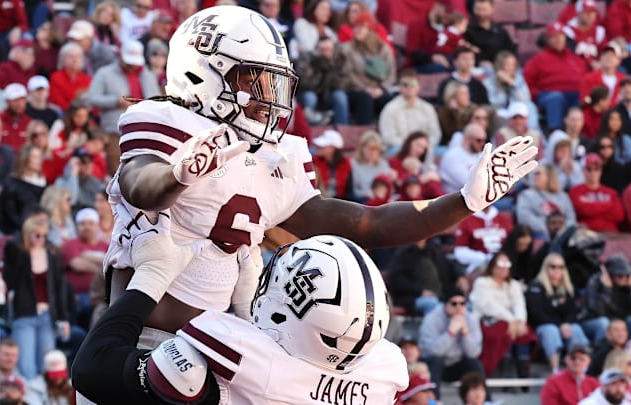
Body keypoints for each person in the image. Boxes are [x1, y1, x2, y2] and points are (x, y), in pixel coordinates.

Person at [102, 4, 536, 365]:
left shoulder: (272, 155)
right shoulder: (165, 121)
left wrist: (464, 201)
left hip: (228, 349)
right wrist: (178, 174)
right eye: (253, 80)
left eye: (272, 81)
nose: (267, 95)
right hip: (143, 343)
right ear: (202, 72)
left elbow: (367, 224)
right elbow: (140, 183)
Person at [73, 234, 410, 404]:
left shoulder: (236, 353)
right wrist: (248, 313)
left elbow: (92, 369)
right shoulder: (384, 373)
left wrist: (152, 277)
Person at [3, 216, 69, 379]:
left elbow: (58, 290)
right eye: (37, 235)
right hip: (25, 314)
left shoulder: (51, 257)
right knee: (26, 365)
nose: (41, 239)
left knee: (46, 363)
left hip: (47, 315)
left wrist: (62, 318)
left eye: (44, 235)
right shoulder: (18, 254)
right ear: (28, 234)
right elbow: (10, 278)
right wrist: (24, 250)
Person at [469, 252, 533, 378]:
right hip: (487, 321)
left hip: (511, 323)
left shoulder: (513, 284)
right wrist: (511, 320)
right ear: (492, 266)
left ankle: (523, 373)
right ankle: (505, 373)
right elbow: (488, 306)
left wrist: (519, 321)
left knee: (525, 332)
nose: (504, 268)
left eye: (507, 264)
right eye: (500, 264)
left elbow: (519, 304)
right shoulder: (482, 282)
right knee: (503, 330)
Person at [526, 253, 589, 373]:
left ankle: (582, 368)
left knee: (575, 328)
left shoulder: (568, 288)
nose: (557, 270)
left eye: (561, 267)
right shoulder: (536, 286)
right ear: (546, 268)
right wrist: (559, 325)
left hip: (562, 327)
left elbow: (573, 312)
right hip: (542, 327)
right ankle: (555, 369)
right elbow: (536, 313)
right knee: (550, 330)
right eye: (553, 266)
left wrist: (567, 324)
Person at [419, 289, 484, 399]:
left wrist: (465, 334)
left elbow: (474, 353)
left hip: (458, 364)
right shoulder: (431, 319)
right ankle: (435, 401)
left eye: (462, 303)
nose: (459, 307)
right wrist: (450, 333)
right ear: (445, 304)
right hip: (435, 365)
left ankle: (484, 400)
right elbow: (432, 351)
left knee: (474, 364)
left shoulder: (471, 319)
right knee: (436, 360)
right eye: (454, 303)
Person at [87, 40, 161, 136]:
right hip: (116, 131)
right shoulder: (104, 73)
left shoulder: (147, 75)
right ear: (120, 56)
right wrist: (115, 101)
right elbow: (92, 98)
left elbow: (158, 99)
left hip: (145, 129)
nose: (132, 66)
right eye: (129, 62)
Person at [523, 22, 586, 131]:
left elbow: (585, 78)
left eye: (561, 36)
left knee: (585, 97)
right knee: (556, 97)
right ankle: (555, 133)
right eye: (554, 36)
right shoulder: (538, 60)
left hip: (574, 94)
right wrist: (536, 95)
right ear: (547, 39)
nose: (559, 39)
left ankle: (584, 134)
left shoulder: (575, 59)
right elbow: (526, 82)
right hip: (548, 95)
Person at [343, 10, 396, 125]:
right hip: (356, 90)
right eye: (355, 27)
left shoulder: (383, 48)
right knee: (365, 99)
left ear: (370, 30)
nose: (357, 30)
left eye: (361, 27)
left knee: (389, 100)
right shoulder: (348, 49)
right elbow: (348, 74)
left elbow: (391, 73)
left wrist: (381, 89)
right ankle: (362, 133)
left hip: (379, 89)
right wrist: (364, 88)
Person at [378, 68, 442, 149]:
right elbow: (388, 138)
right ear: (399, 87)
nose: (409, 87)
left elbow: (435, 133)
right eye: (405, 84)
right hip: (400, 150)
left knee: (445, 152)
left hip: (424, 149)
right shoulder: (390, 109)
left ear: (419, 86)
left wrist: (424, 145)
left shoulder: (428, 108)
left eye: (413, 83)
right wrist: (410, 147)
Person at [295, 36, 350, 126]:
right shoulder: (307, 58)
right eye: (322, 49)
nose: (326, 52)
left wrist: (330, 72)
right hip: (311, 93)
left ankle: (342, 129)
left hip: (328, 95)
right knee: (310, 97)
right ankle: (307, 129)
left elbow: (344, 82)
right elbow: (302, 83)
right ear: (317, 49)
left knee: (340, 96)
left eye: (328, 49)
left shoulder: (339, 59)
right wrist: (319, 71)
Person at [515, 164, 576, 239]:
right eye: (534, 174)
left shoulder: (563, 196)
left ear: (549, 176)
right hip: (538, 235)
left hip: (564, 235)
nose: (535, 176)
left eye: (538, 173)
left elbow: (571, 219)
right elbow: (524, 218)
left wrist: (562, 230)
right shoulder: (526, 195)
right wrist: (548, 227)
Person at [482, 51, 539, 131]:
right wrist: (500, 84)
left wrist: (512, 84)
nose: (511, 68)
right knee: (501, 115)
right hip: (500, 110)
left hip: (515, 108)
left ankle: (533, 134)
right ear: (500, 65)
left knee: (530, 106)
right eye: (508, 64)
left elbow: (526, 99)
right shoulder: (489, 81)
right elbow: (495, 102)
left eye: (513, 65)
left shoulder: (518, 78)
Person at [0, 145, 46, 234]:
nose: (39, 160)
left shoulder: (44, 182)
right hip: (20, 230)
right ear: (25, 159)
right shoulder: (12, 184)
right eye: (35, 157)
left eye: (40, 157)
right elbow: (10, 214)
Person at [569, 153, 625, 232]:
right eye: (589, 169)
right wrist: (608, 205)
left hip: (611, 233)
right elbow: (582, 211)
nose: (593, 172)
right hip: (588, 234)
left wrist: (590, 206)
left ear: (601, 170)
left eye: (597, 169)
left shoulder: (612, 192)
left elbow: (619, 215)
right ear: (582, 170)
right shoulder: (575, 191)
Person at [581, 255, 631, 344]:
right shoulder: (595, 282)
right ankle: (601, 353)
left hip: (619, 321)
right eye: (620, 275)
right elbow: (599, 312)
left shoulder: (627, 286)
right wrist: (607, 289)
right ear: (610, 274)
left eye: (626, 274)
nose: (624, 278)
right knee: (604, 323)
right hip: (593, 321)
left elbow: (625, 311)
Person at [463, 0, 517, 66]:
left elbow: (510, 49)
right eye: (478, 9)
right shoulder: (467, 30)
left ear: (492, 8)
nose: (481, 13)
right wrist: (479, 62)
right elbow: (463, 53)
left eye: (484, 10)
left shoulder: (500, 30)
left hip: (501, 67)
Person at [439, 123, 485, 194]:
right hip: (454, 200)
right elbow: (469, 183)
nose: (482, 143)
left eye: (484, 140)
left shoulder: (480, 155)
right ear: (467, 138)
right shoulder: (452, 156)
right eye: (478, 140)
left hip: (476, 199)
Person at [349, 131, 392, 203]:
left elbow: (389, 189)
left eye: (376, 149)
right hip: (362, 201)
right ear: (362, 148)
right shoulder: (353, 164)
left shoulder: (383, 165)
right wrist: (365, 193)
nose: (373, 152)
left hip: (382, 202)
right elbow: (352, 191)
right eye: (370, 148)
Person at [48, 43, 91, 112]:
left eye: (78, 56)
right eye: (71, 56)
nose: (75, 60)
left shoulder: (88, 80)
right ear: (63, 59)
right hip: (65, 115)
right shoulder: (56, 77)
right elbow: (58, 102)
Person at [311, 129, 353, 200]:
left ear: (333, 148)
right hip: (320, 200)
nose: (320, 147)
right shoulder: (314, 161)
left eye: (324, 146)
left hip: (342, 202)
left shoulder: (346, 163)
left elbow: (349, 190)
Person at [0, 83, 33, 153]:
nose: (20, 104)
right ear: (7, 101)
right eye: (15, 100)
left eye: (22, 100)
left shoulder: (29, 123)